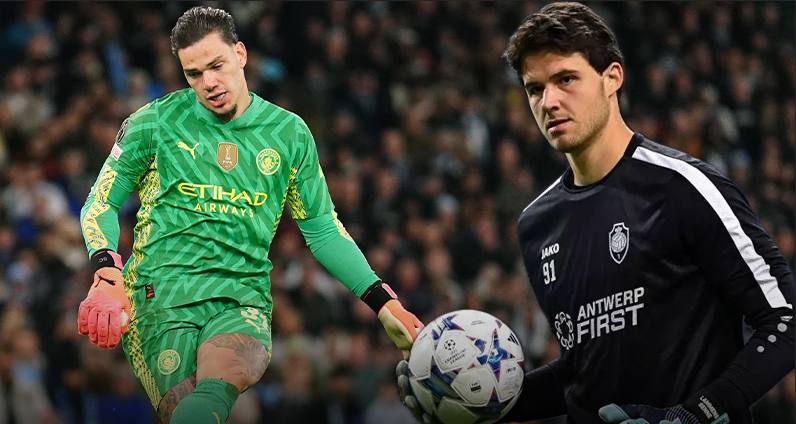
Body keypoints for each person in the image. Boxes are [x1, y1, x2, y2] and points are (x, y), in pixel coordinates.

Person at [397, 3, 795, 424]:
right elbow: (584, 370)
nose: (549, 101)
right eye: (535, 89)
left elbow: (785, 323)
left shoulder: (683, 187)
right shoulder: (537, 225)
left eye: (565, 79)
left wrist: (693, 415)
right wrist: (468, 398)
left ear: (612, 78)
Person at [77, 6, 423, 424]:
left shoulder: (288, 134)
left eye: (216, 65)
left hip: (241, 300)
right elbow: (100, 202)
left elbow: (323, 230)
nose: (208, 82)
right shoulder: (153, 123)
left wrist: (384, 302)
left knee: (215, 390)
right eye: (193, 73)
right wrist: (106, 272)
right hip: (159, 300)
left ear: (240, 54)